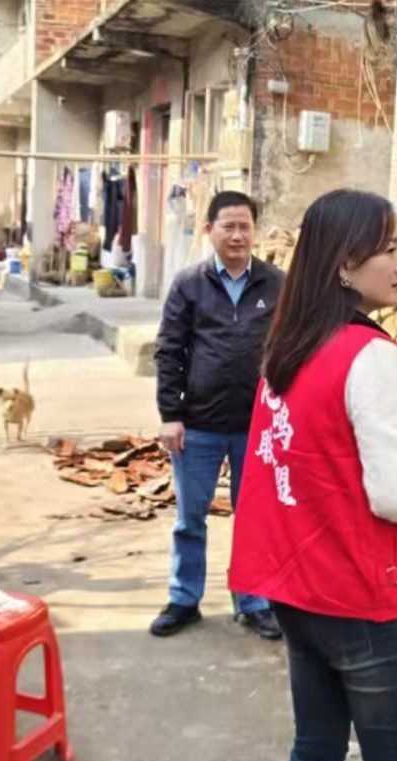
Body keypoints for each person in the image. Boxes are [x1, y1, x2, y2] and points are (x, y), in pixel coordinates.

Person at [230, 189, 397, 761]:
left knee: (315, 754)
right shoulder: (370, 356)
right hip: (362, 599)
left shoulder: (288, 349)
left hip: (296, 591)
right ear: (346, 264)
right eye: (391, 248)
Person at [151, 191, 285, 640]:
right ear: (210, 230)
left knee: (255, 519)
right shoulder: (189, 283)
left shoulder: (276, 284)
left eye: (245, 225)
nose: (237, 234)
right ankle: (184, 599)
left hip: (257, 426)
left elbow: (289, 349)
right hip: (200, 425)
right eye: (228, 225)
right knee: (191, 518)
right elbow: (169, 350)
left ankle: (253, 601)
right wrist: (171, 414)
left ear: (255, 232)